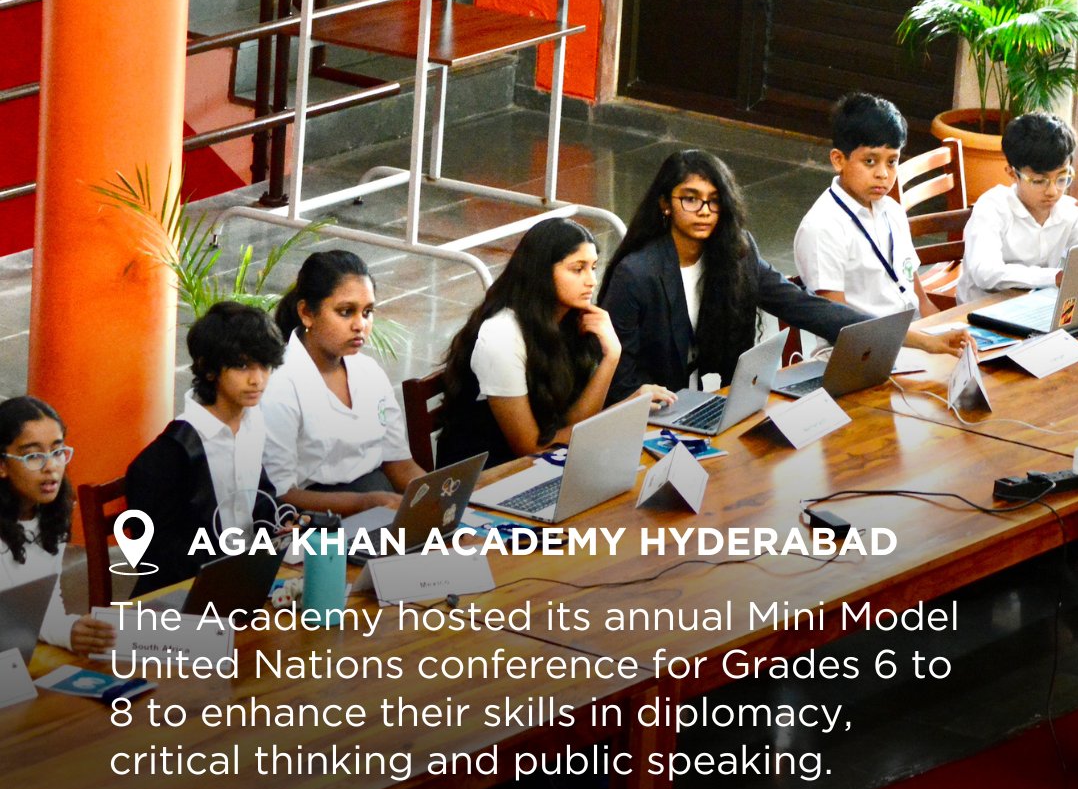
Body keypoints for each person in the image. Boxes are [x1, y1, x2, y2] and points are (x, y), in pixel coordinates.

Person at [599, 149, 967, 404]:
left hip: (718, 404)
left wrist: (920, 339)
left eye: (715, 200)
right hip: (653, 417)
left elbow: (810, 309)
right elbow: (619, 379)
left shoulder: (738, 253)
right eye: (690, 199)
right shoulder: (637, 275)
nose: (705, 211)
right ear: (665, 203)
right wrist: (645, 398)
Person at [438, 218, 674, 469]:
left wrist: (612, 355)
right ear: (541, 272)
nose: (592, 281)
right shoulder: (502, 333)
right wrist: (626, 408)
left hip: (545, 462)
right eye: (577, 269)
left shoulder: (571, 320)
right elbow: (529, 448)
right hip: (487, 474)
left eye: (593, 267)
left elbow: (571, 425)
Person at [127, 301, 286, 595]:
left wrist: (282, 527)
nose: (257, 379)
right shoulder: (170, 455)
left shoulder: (251, 423)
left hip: (245, 583)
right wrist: (229, 575)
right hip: (185, 603)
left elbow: (260, 501)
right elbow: (157, 554)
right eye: (242, 366)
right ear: (209, 369)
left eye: (264, 365)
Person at [262, 250, 424, 518]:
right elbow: (281, 493)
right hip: (317, 521)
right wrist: (362, 504)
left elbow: (399, 463)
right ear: (306, 313)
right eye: (346, 312)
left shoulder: (369, 372)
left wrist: (437, 498)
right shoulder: (279, 384)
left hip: (378, 505)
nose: (360, 325)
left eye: (368, 312)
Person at [794, 93, 941, 324]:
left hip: (912, 337)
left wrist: (946, 335)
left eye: (892, 162)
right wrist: (923, 343)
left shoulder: (892, 211)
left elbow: (921, 301)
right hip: (862, 351)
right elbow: (840, 325)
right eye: (870, 161)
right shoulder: (822, 229)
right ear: (838, 160)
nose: (883, 174)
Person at [0, 396, 114, 655]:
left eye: (57, 451)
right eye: (33, 456)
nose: (51, 467)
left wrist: (70, 631)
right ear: (2, 465)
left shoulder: (50, 514)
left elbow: (41, 609)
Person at [957, 111, 1078, 303]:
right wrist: (1053, 277)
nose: (1053, 191)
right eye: (1039, 181)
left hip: (1038, 307)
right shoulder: (993, 208)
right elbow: (986, 273)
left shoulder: (1069, 212)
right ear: (1012, 173)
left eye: (1062, 179)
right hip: (982, 312)